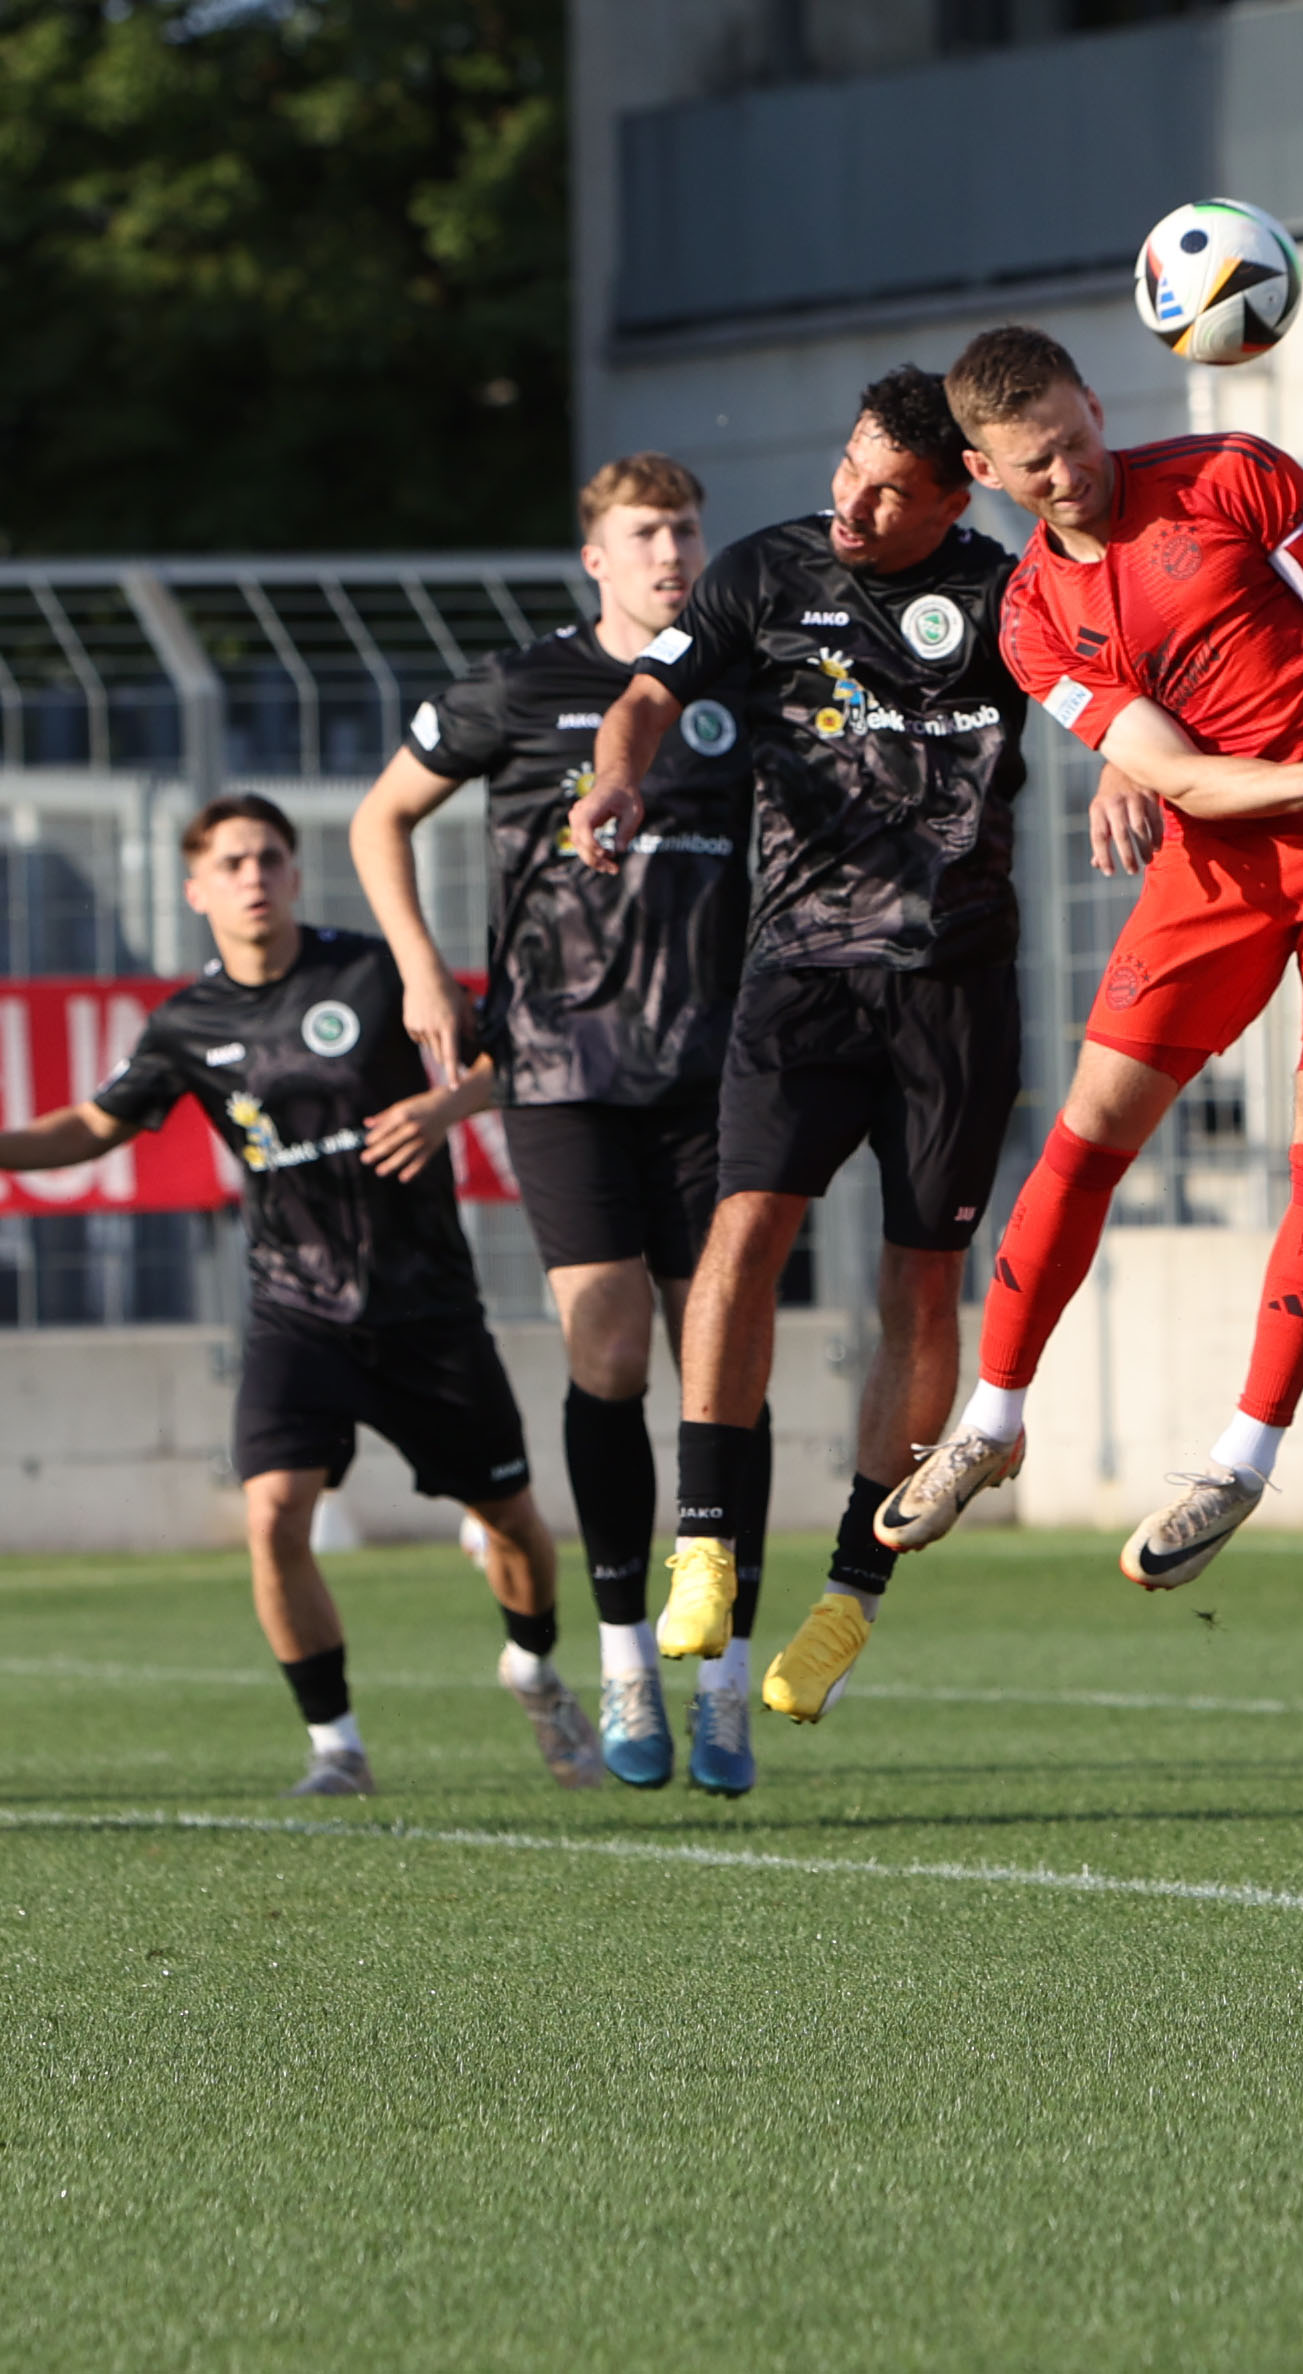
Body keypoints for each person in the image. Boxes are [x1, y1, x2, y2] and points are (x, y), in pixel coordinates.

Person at [869, 326, 1303, 1591]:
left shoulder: (1235, 475)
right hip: (1226, 855)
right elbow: (1176, 768)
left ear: (1096, 404)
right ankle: (988, 1422)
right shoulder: (1033, 615)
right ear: (986, 471)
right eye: (1035, 468)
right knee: (1088, 1134)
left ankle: (1241, 1459)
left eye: (1078, 443)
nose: (1069, 477)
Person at [0, 795, 605, 1799]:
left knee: (516, 1521)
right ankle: (336, 1747)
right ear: (197, 891)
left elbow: (509, 1050)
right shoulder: (187, 1023)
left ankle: (533, 1669)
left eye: (269, 857)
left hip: (424, 1305)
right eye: (231, 863)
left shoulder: (368, 970)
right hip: (294, 1309)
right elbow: (93, 1127)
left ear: (296, 873)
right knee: (273, 1516)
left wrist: (445, 1103)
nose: (253, 876)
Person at [567, 371, 1028, 1757]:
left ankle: (851, 1590)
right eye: (847, 465)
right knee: (743, 1234)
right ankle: (704, 1542)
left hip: (953, 990)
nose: (852, 499)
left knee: (919, 1281)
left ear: (957, 493)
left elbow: (1112, 698)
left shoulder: (1014, 592)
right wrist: (617, 775)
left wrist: (1130, 768)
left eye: (889, 488)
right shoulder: (769, 571)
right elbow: (645, 696)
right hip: (801, 973)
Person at [358, 454, 745, 1788]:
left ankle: (728, 1675)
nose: (671, 551)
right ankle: (629, 1657)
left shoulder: (735, 682)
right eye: (645, 532)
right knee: (611, 1349)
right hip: (561, 1063)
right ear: (596, 554)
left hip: (712, 1068)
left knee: (722, 1366)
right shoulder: (519, 686)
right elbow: (380, 817)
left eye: (685, 528)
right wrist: (419, 969)